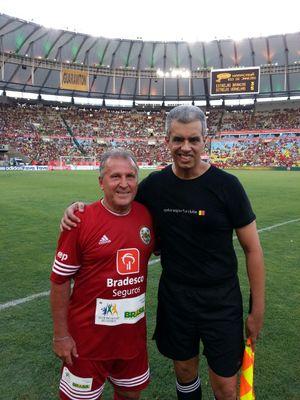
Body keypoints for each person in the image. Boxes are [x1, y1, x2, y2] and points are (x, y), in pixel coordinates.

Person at [61, 105, 265, 400]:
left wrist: (257, 311)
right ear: (167, 140)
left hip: (221, 300)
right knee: (183, 370)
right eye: (178, 140)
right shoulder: (155, 185)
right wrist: (78, 209)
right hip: (176, 297)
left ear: (204, 140)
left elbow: (253, 249)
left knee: (225, 385)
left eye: (193, 140)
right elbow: (118, 200)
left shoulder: (227, 186)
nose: (186, 147)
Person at [50, 149, 154, 400]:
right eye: (115, 176)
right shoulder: (80, 220)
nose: (124, 184)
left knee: (130, 396)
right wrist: (61, 335)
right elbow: (60, 280)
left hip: (131, 340)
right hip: (86, 343)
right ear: (101, 182)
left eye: (130, 176)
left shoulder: (145, 215)